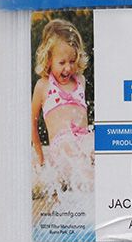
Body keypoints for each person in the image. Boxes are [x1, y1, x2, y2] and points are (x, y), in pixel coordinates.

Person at [31, 19, 94, 194]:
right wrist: (40, 157)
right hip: (62, 145)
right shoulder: (43, 86)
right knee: (72, 151)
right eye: (62, 62)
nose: (68, 68)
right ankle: (89, 187)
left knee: (96, 144)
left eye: (72, 61)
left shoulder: (80, 81)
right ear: (48, 60)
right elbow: (32, 122)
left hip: (83, 138)